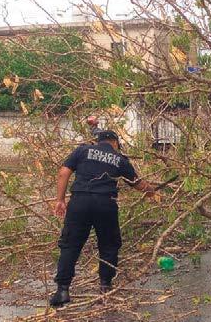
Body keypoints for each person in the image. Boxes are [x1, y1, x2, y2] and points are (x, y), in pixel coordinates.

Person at [49, 130, 157, 307]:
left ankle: (62, 290)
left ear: (97, 141)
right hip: (105, 203)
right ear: (115, 142)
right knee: (109, 245)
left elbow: (63, 173)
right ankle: (105, 287)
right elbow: (137, 183)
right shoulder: (120, 159)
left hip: (79, 202)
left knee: (70, 245)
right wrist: (151, 191)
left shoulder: (82, 150)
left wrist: (60, 200)